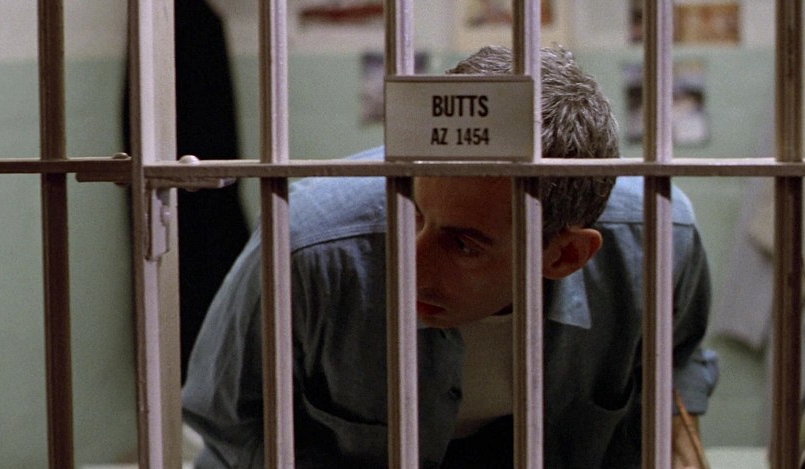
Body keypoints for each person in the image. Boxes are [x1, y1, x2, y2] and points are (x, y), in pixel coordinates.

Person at [182, 46, 719, 468]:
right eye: (412, 213)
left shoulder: (656, 241)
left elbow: (676, 362)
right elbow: (230, 419)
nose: (408, 266)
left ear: (566, 254)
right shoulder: (307, 244)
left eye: (464, 244)